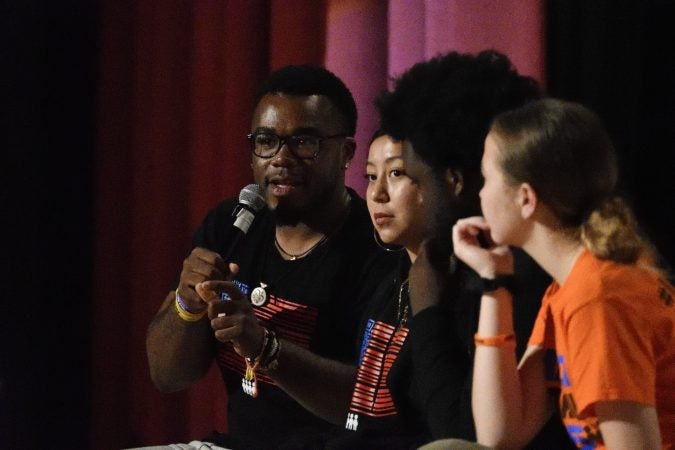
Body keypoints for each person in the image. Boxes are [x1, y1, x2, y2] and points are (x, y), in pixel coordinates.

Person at [330, 51, 574, 449]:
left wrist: (427, 311)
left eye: (408, 176)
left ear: (456, 181)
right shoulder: (479, 267)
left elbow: (465, 441)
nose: (377, 193)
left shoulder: (537, 275)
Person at [145, 65, 396, 449]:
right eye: (266, 140)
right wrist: (187, 303)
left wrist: (265, 348)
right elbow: (167, 375)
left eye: (304, 142)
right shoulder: (229, 227)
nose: (281, 158)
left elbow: (368, 402)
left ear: (346, 152)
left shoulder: (377, 249)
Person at [452, 98, 675, 449]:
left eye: (486, 177)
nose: (479, 193)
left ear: (526, 198)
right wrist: (494, 281)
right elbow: (500, 434)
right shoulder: (571, 288)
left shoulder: (598, 297)